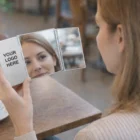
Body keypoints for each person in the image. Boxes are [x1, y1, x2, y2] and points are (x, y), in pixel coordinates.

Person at [0, 0, 140, 139]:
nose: (36, 66)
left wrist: (23, 127)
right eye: (27, 61)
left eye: (98, 27)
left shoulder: (94, 135)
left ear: (120, 36)